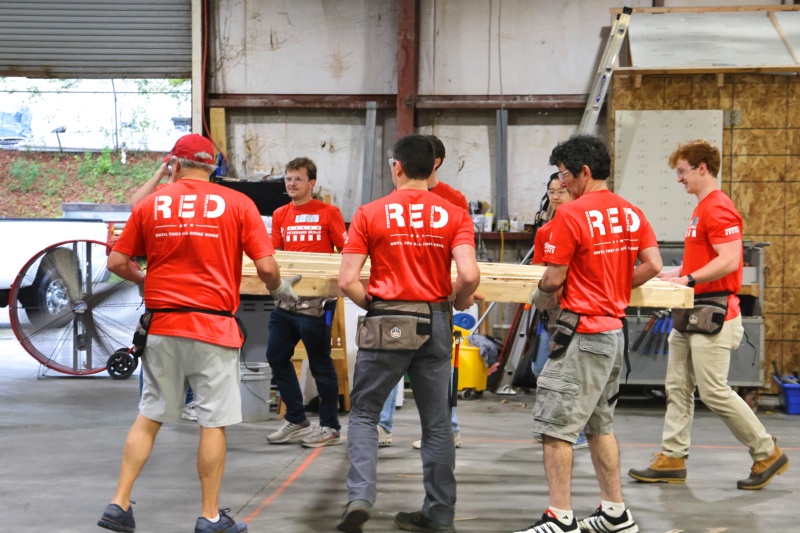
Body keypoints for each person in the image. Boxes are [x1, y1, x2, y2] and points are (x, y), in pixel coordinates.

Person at [98, 133, 300, 533]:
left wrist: (144, 278)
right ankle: (209, 516)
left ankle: (118, 504)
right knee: (212, 422)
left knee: (149, 416)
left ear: (175, 164)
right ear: (214, 167)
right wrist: (280, 290)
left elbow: (118, 260)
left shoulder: (151, 204)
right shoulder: (240, 204)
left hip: (162, 325)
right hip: (213, 327)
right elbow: (266, 267)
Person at [513, 134, 662, 533]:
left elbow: (554, 276)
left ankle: (560, 518)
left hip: (581, 336)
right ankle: (615, 512)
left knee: (555, 428)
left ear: (585, 171)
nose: (562, 185)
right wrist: (613, 285)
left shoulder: (572, 215)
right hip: (613, 334)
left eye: (565, 176)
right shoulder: (631, 213)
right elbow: (654, 263)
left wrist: (539, 296)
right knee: (600, 427)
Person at [336, 134, 481, 533]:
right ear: (434, 166)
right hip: (435, 319)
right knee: (436, 424)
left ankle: (360, 497)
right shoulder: (453, 214)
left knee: (365, 415)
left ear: (396, 167)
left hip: (387, 320)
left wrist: (375, 306)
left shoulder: (370, 213)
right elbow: (469, 274)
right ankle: (439, 514)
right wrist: (460, 299)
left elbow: (347, 280)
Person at [628, 139, 789, 491]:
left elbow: (731, 259)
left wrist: (687, 278)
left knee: (714, 391)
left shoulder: (718, 208)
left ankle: (767, 451)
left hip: (714, 313)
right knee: (678, 386)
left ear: (703, 169)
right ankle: (672, 457)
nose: (679, 179)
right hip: (691, 312)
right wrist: (665, 274)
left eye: (683, 172)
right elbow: (697, 263)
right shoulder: (701, 209)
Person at [378, 134, 465, 450]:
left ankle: (447, 428)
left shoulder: (453, 200)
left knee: (435, 371)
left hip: (435, 298)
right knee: (392, 364)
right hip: (400, 296)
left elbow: (459, 255)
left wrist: (458, 290)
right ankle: (381, 426)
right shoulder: (396, 196)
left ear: (435, 162)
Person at [265, 157, 347, 448]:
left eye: (297, 178)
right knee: (276, 356)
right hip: (286, 303)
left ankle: (330, 427)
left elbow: (346, 250)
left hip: (319, 306)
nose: (291, 184)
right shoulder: (279, 214)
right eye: (288, 178)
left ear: (312, 182)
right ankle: (298, 419)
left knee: (321, 363)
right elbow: (274, 253)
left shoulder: (329, 212)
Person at [129, 162, 198, 422]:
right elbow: (136, 205)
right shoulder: (159, 201)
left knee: (188, 344)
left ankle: (188, 401)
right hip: (161, 289)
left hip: (187, 286)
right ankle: (151, 402)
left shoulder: (191, 196)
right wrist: (159, 172)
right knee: (153, 346)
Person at [530, 173, 587, 450]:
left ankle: (577, 430)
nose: (554, 196)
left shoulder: (580, 225)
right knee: (541, 367)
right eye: (551, 191)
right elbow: (540, 272)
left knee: (571, 372)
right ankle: (552, 425)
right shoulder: (544, 232)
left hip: (575, 310)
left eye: (560, 191)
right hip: (552, 311)